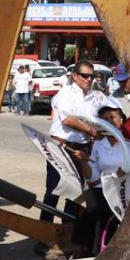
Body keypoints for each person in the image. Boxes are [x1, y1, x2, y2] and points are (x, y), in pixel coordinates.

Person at [41, 61, 106, 239]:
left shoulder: (94, 97)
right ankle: (43, 231)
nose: (88, 79)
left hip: (82, 147)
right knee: (53, 190)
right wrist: (91, 131)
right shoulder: (66, 93)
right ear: (75, 76)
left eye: (91, 76)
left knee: (75, 193)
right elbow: (67, 120)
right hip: (61, 146)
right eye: (85, 75)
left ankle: (68, 232)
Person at [82, 97, 129, 251]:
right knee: (88, 205)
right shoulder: (98, 143)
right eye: (105, 119)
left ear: (121, 117)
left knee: (103, 208)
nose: (110, 121)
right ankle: (91, 250)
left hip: (127, 186)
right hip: (105, 185)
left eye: (113, 117)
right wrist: (83, 161)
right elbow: (93, 176)